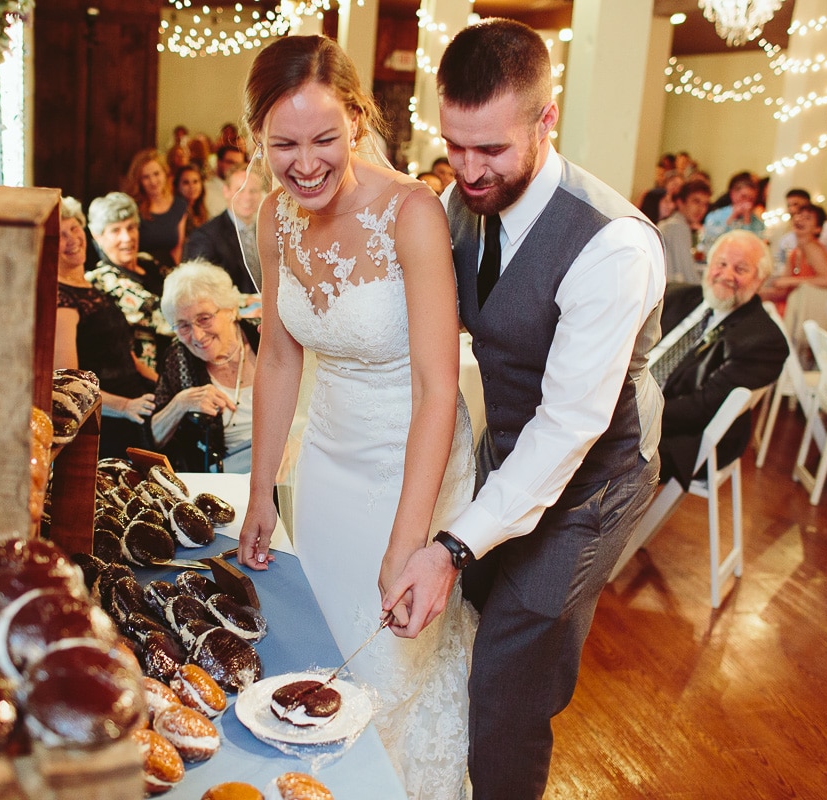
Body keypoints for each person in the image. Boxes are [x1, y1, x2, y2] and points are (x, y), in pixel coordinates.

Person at [383, 19, 665, 800]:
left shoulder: (613, 248)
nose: (469, 171)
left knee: (510, 678)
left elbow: (568, 431)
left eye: (492, 150)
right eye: (455, 145)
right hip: (510, 453)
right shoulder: (459, 200)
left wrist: (449, 546)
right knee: (464, 623)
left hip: (593, 482)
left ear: (547, 120)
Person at [235, 34, 477, 800]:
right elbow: (277, 356)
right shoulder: (275, 218)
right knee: (326, 648)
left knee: (385, 671)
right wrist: (262, 489)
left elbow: (441, 388)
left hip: (416, 461)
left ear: (359, 120)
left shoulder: (413, 214)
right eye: (284, 145)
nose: (305, 164)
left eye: (325, 140)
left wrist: (411, 541)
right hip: (330, 462)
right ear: (258, 140)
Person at [653, 230, 788, 488]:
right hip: (624, 405)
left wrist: (632, 416)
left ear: (759, 280)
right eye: (721, 264)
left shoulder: (764, 341)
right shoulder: (675, 296)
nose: (726, 276)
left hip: (684, 435)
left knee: (592, 453)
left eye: (741, 269)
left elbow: (702, 407)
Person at [55, 198, 156, 458]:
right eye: (61, 234)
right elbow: (71, 386)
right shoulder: (62, 301)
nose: (72, 239)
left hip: (135, 409)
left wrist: (165, 385)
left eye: (75, 228)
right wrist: (125, 406)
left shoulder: (91, 287)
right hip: (107, 422)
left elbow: (125, 356)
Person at [152, 261, 258, 473]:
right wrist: (181, 403)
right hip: (232, 473)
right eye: (183, 325)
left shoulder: (263, 336)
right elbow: (153, 439)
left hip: (293, 457)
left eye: (204, 319)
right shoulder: (178, 357)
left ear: (230, 309)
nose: (197, 336)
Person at [86, 192, 167, 380]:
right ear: (97, 236)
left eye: (131, 227)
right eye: (115, 230)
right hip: (149, 378)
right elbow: (165, 318)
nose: (127, 238)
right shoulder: (103, 280)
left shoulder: (147, 262)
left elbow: (188, 289)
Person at [182, 165, 265, 293]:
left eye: (253, 191)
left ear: (260, 195)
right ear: (226, 192)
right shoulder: (205, 236)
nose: (247, 197)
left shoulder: (268, 231)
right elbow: (199, 288)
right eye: (240, 190)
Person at [760, 204, 827, 311]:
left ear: (817, 229)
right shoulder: (795, 252)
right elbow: (782, 290)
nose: (800, 219)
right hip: (797, 305)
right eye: (799, 215)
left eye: (807, 218)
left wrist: (790, 281)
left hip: (812, 308)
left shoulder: (812, 247)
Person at [123, 149, 187, 267]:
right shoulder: (132, 207)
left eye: (156, 174)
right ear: (139, 181)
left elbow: (178, 248)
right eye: (146, 177)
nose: (153, 181)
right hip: (139, 269)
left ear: (165, 173)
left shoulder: (179, 205)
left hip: (168, 270)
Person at [771, 188, 827, 270]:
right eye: (789, 206)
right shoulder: (787, 241)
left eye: (795, 204)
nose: (791, 210)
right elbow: (781, 267)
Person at [658, 178, 712, 284]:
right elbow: (687, 274)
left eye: (705, 204)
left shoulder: (672, 224)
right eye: (696, 201)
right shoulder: (677, 226)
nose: (701, 209)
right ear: (680, 202)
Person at [700, 171, 764, 252]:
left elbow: (755, 247)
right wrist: (731, 218)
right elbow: (710, 240)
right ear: (732, 194)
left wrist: (747, 221)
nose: (747, 202)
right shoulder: (715, 216)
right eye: (743, 197)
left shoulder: (757, 223)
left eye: (751, 199)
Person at [204, 144, 248, 218]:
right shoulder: (206, 189)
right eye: (230, 162)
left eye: (239, 164)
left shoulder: (247, 190)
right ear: (219, 162)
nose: (235, 167)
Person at [174, 163, 209, 239]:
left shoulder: (201, 208)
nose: (192, 187)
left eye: (195, 181)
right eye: (186, 183)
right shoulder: (177, 210)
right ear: (177, 186)